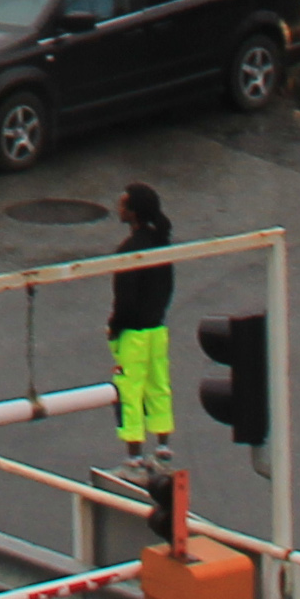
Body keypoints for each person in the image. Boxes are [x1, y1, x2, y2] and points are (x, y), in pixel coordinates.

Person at [105, 184, 176, 482]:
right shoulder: (161, 243)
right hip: (156, 329)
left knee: (128, 392)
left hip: (132, 335)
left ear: (133, 212)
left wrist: (114, 327)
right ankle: (162, 452)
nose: (119, 209)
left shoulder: (128, 251)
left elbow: (125, 300)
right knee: (158, 386)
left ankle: (133, 459)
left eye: (123, 205)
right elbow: (167, 288)